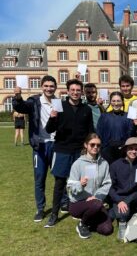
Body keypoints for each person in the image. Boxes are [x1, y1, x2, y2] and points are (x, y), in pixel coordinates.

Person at [12, 75, 68, 222]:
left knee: (60, 176)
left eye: (51, 86)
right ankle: (40, 208)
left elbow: (62, 122)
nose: (49, 88)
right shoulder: (34, 101)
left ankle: (64, 202)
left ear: (55, 87)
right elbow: (21, 107)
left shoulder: (58, 102)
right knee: (40, 178)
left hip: (55, 144)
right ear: (42, 87)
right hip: (40, 145)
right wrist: (17, 97)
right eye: (46, 86)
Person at [44, 79, 94, 227]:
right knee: (60, 183)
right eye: (72, 90)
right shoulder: (60, 106)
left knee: (85, 182)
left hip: (80, 151)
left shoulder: (86, 109)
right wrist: (52, 117)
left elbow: (90, 131)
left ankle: (83, 211)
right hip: (62, 150)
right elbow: (49, 129)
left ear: (82, 92)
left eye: (78, 90)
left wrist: (91, 148)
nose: (75, 92)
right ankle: (54, 214)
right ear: (67, 91)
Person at [67, 133, 113, 239]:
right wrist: (80, 185)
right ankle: (82, 224)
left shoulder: (104, 163)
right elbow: (69, 189)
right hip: (78, 203)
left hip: (96, 201)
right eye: (92, 144)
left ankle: (89, 220)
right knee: (96, 205)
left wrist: (97, 196)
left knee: (107, 230)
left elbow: (107, 183)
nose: (95, 147)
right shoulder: (77, 164)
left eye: (98, 145)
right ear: (86, 145)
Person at [109, 137, 137, 240]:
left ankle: (134, 215)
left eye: (136, 149)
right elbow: (110, 187)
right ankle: (121, 222)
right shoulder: (115, 165)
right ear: (125, 150)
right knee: (123, 213)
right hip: (120, 197)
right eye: (131, 148)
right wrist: (119, 201)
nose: (134, 151)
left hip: (136, 195)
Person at [97, 91, 135, 164]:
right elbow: (99, 133)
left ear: (122, 102)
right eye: (113, 101)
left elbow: (131, 133)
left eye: (118, 101)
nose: (116, 103)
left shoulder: (128, 116)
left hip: (123, 151)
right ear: (110, 102)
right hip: (107, 152)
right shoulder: (104, 116)